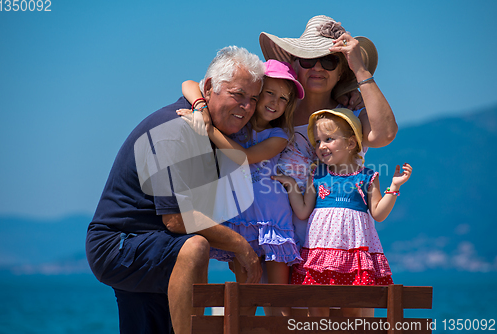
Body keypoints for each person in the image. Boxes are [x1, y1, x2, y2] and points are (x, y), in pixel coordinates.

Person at [85, 46, 265, 334]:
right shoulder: (174, 129)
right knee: (196, 247)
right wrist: (239, 245)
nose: (247, 107)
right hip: (121, 243)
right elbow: (177, 219)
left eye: (253, 99)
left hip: (157, 243)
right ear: (209, 88)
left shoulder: (211, 132)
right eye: (238, 95)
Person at [259, 15, 398, 251]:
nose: (317, 67)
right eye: (308, 60)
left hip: (338, 252)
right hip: (277, 247)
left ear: (342, 70)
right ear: (293, 63)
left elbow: (385, 134)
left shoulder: (351, 117)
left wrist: (360, 70)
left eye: (330, 61)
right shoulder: (274, 115)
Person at [177, 59, 305, 316]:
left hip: (274, 221)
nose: (275, 102)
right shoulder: (235, 127)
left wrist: (207, 127)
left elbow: (243, 158)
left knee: (279, 303)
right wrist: (201, 107)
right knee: (244, 299)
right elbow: (188, 84)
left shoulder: (278, 137)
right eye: (269, 93)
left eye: (283, 98)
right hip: (241, 221)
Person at [273, 108, 412, 317]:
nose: (321, 146)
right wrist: (291, 184)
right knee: (316, 307)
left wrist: (394, 187)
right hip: (319, 256)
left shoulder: (367, 177)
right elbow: (302, 211)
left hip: (353, 257)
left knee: (352, 309)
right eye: (318, 141)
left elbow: (378, 214)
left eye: (328, 139)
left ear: (350, 143)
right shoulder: (317, 174)